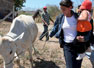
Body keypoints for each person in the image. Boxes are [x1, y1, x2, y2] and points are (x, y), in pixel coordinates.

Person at [49, 0, 83, 68]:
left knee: (77, 66)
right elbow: (56, 27)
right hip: (67, 46)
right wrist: (51, 34)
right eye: (61, 9)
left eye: (64, 9)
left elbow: (84, 29)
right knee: (70, 66)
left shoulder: (78, 17)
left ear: (70, 7)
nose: (62, 11)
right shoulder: (60, 17)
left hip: (78, 45)